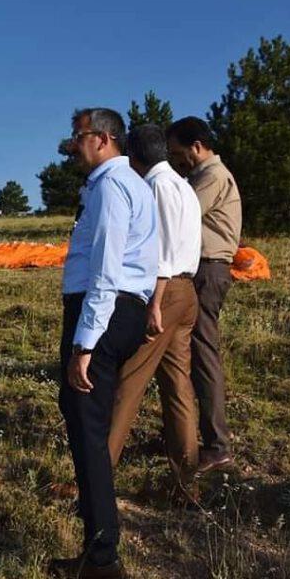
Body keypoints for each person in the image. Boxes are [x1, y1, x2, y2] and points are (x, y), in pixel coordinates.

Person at [50, 108, 159, 579]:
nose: (73, 145)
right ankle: (98, 549)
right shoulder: (129, 183)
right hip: (120, 310)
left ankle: (102, 557)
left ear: (103, 138)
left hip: (103, 313)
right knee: (85, 423)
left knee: (88, 431)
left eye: (78, 137)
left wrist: (85, 343)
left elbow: (107, 270)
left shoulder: (113, 186)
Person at [107, 124, 202, 496]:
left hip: (165, 292)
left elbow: (160, 251)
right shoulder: (183, 185)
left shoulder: (156, 188)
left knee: (128, 381)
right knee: (177, 385)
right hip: (187, 290)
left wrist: (154, 304)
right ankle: (187, 479)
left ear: (134, 157)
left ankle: (98, 470)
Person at [165, 117, 242, 475]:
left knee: (203, 353)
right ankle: (185, 436)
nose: (177, 161)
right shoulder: (200, 175)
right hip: (199, 270)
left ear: (197, 146)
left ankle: (217, 445)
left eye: (179, 154)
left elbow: (179, 214)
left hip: (207, 270)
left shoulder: (211, 176)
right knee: (184, 354)